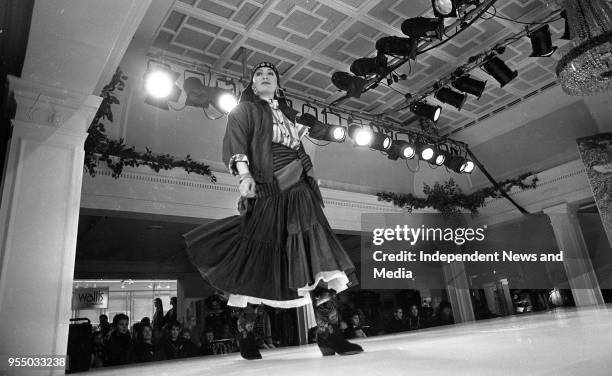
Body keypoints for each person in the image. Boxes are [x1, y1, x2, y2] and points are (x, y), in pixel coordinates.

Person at [184, 61, 361, 359]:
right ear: (253, 85)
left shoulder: (289, 115)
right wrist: (244, 176)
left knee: (316, 257)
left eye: (271, 75)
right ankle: (246, 337)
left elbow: (302, 143)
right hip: (270, 186)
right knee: (261, 263)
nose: (265, 77)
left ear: (278, 84)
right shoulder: (245, 111)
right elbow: (237, 142)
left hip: (301, 189)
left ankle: (330, 335)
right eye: (259, 75)